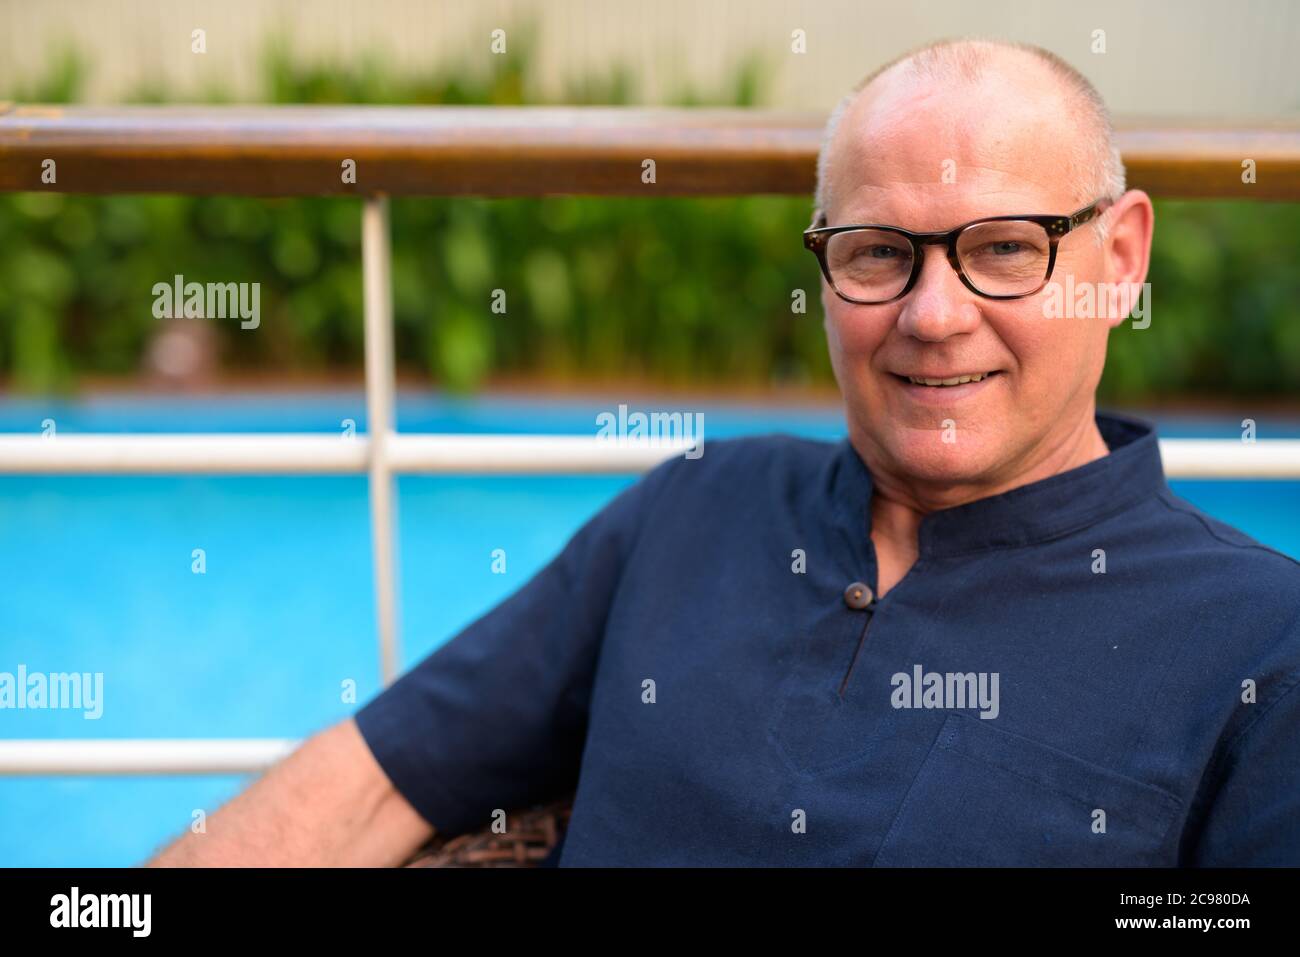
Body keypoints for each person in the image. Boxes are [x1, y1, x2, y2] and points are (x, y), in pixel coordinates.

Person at [148, 37, 1300, 867]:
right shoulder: (698, 508)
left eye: (1003, 249)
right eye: (876, 252)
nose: (933, 314)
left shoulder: (1256, 645)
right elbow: (367, 788)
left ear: (1120, 257)